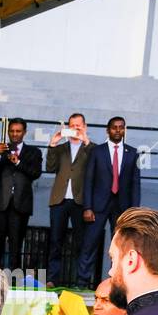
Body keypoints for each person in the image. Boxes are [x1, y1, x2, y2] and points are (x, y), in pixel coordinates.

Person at [76, 116, 141, 286]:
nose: (118, 130)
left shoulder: (132, 153)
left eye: (121, 127)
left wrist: (134, 212)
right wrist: (87, 207)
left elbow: (135, 184)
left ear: (124, 129)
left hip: (122, 207)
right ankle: (82, 282)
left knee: (120, 246)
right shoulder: (97, 151)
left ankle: (117, 283)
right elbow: (88, 180)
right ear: (108, 130)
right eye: (114, 127)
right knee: (89, 244)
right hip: (97, 206)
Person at [0, 118, 43, 271]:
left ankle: (14, 278)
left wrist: (18, 162)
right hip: (0, 203)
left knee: (16, 243)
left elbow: (35, 173)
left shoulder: (34, 152)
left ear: (24, 132)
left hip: (20, 205)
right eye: (12, 131)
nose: (15, 134)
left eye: (18, 131)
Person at [45, 113, 92, 287]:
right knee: (56, 241)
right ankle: (52, 279)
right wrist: (53, 143)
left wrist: (85, 140)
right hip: (59, 200)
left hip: (80, 201)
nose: (75, 128)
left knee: (81, 243)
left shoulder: (91, 148)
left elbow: (95, 167)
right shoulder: (60, 148)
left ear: (84, 126)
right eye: (72, 125)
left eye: (78, 125)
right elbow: (49, 167)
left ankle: (81, 280)